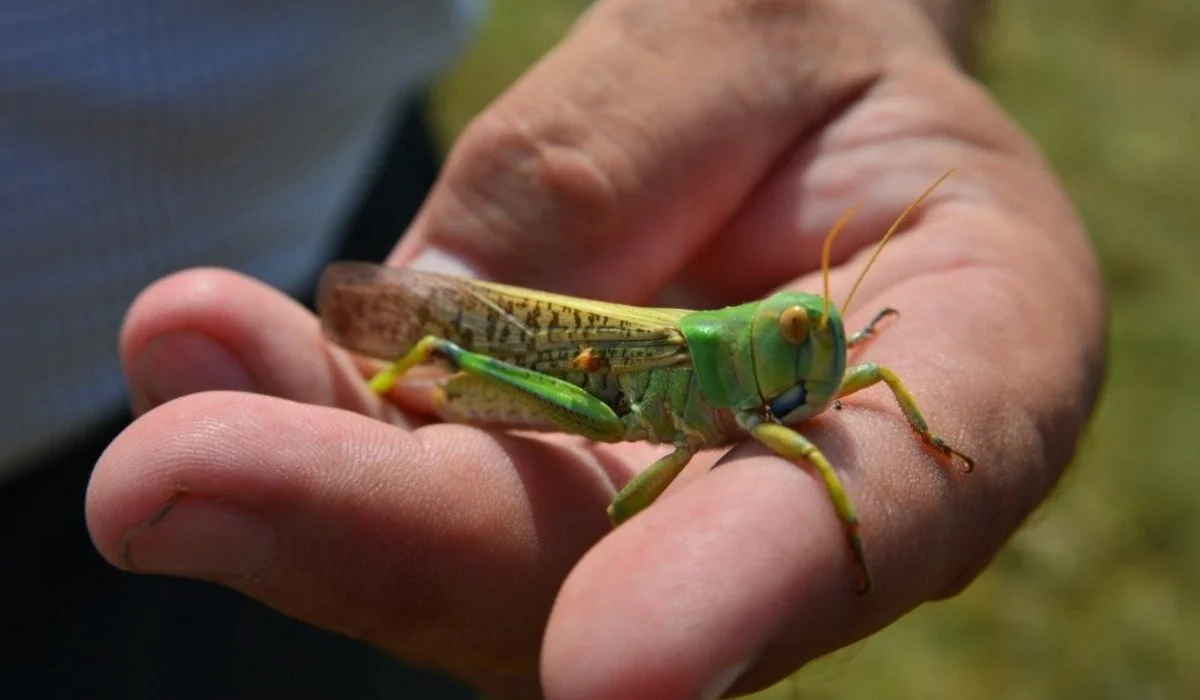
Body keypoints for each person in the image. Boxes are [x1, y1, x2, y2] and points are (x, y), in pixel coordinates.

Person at [24, 1, 1112, 699]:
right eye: (799, 329)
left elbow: (856, 402)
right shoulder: (724, 381)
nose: (820, 349)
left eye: (815, 335)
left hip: (329, 184)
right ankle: (386, 389)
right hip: (568, 374)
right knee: (448, 353)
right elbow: (821, 464)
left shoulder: (827, 376)